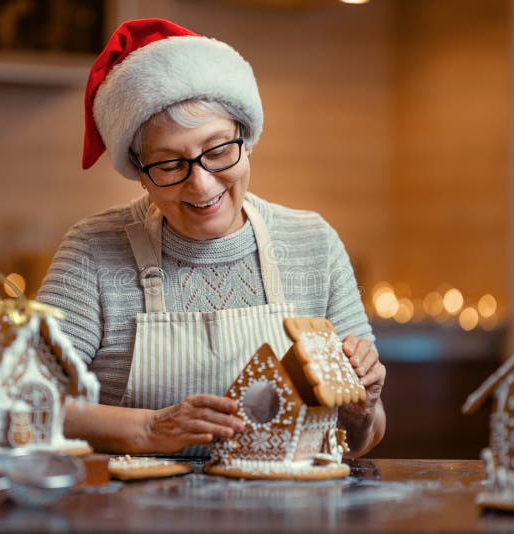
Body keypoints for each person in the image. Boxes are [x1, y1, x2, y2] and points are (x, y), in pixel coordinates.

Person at [37, 18, 386, 457]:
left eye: (218, 152)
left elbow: (362, 438)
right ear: (139, 174)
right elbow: (24, 401)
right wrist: (148, 429)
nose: (201, 186)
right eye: (168, 165)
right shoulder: (94, 251)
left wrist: (362, 408)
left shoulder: (312, 245)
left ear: (247, 139)